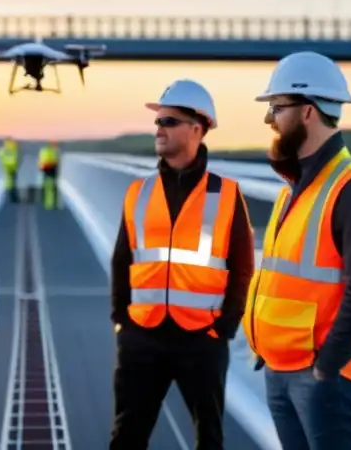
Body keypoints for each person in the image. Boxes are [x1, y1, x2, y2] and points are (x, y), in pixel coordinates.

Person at [243, 51, 351, 450]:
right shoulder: (296, 189)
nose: (269, 119)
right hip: (283, 367)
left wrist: (326, 368)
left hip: (327, 379)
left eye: (276, 108)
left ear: (308, 112)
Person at [109, 79, 255, 450]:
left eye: (169, 121)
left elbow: (242, 266)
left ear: (197, 128)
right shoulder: (137, 192)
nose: (159, 128)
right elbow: (122, 259)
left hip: (201, 338)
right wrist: (122, 321)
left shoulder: (226, 195)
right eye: (157, 121)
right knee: (127, 436)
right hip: (143, 335)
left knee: (209, 439)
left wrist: (225, 327)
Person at [37, 140, 61, 209]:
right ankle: (50, 202)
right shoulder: (52, 151)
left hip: (49, 169)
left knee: (50, 186)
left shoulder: (51, 151)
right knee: (50, 186)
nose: (55, 145)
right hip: (49, 169)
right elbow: (53, 161)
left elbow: (41, 161)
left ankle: (50, 202)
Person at [0, 136, 20, 203]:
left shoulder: (5, 148)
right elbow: (16, 156)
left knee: (9, 182)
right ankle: (13, 197)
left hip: (7, 166)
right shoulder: (13, 147)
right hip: (12, 166)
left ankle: (9, 196)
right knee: (12, 182)